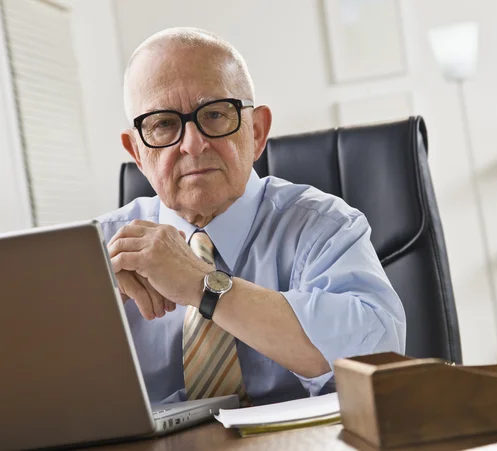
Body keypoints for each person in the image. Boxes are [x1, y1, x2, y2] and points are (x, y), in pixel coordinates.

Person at [97, 27, 406, 406]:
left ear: (257, 132)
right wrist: (84, 321)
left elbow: (379, 358)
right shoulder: (97, 250)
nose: (193, 144)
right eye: (163, 124)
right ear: (137, 152)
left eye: (214, 114)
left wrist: (202, 285)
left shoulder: (324, 225)